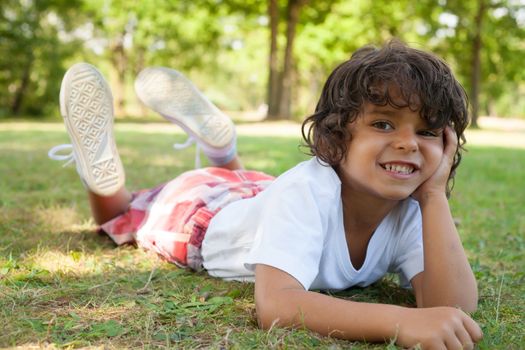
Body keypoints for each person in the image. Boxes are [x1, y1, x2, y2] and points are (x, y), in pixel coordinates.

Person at [49, 40, 483, 349]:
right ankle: (103, 179)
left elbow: (451, 308)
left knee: (259, 192)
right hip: (205, 214)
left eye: (427, 132)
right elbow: (275, 306)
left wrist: (433, 197)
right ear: (334, 140)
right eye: (384, 124)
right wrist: (401, 323)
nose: (409, 143)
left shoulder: (411, 211)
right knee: (124, 214)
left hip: (262, 193)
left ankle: (222, 148)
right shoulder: (306, 189)